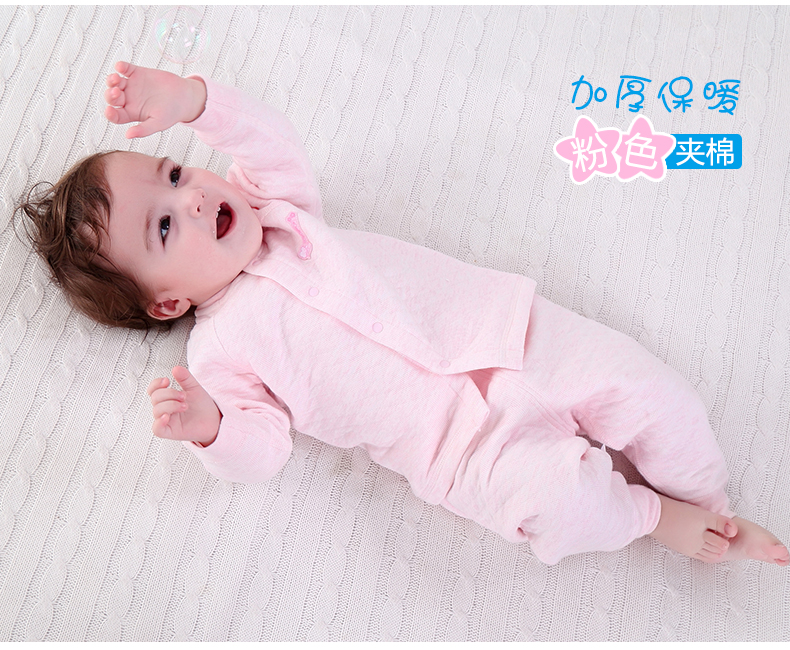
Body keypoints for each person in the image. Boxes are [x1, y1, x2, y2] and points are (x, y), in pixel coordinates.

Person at [18, 61, 789, 567]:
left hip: (513, 335)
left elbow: (269, 141)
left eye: (175, 173)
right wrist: (210, 429)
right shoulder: (219, 357)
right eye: (163, 227)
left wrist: (192, 101)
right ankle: (653, 517)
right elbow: (264, 450)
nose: (191, 198)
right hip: (461, 452)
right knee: (553, 507)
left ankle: (708, 499)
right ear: (168, 302)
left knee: (651, 393)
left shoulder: (278, 212)